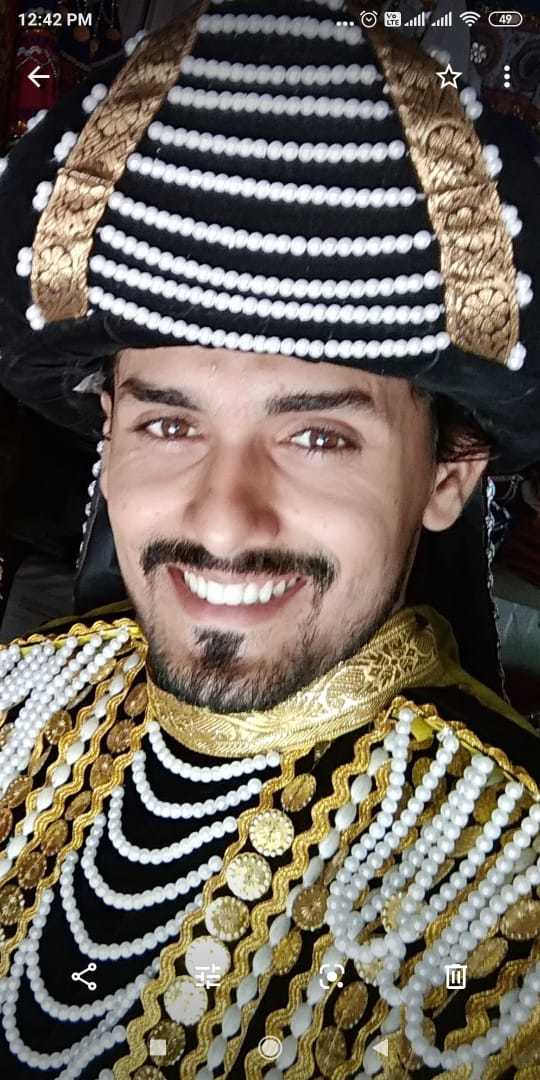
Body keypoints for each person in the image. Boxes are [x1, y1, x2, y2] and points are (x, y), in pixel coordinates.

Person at [0, 2, 539, 1077]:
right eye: (168, 423)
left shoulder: (511, 889)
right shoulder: (18, 699)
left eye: (318, 437)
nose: (220, 519)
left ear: (447, 475)